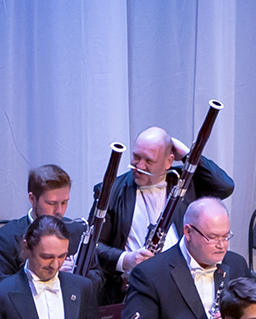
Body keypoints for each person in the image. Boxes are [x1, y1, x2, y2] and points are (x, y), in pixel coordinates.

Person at [92, 125, 235, 302]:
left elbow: (225, 186)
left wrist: (188, 155)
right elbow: (94, 246)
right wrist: (125, 260)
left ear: (168, 162)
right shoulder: (110, 190)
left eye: (149, 161)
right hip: (132, 289)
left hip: (184, 283)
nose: (139, 166)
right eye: (136, 157)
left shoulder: (186, 181)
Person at [127, 197, 253, 319]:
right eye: (213, 237)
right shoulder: (150, 273)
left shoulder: (236, 264)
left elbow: (252, 313)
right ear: (188, 232)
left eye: (225, 236)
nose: (222, 245)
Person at [0, 163, 87, 284]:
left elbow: (97, 277)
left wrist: (77, 276)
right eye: (51, 203)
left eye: (64, 202)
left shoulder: (78, 231)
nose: (59, 211)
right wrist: (52, 275)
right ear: (32, 199)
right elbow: (0, 290)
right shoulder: (5, 239)